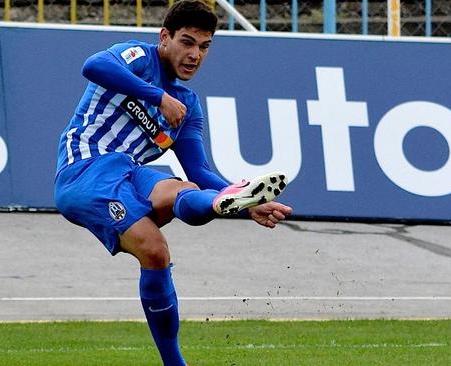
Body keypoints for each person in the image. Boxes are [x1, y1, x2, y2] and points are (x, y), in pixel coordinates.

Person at [54, 1, 292, 364]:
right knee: (154, 248)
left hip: (129, 173)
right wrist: (157, 97)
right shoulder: (137, 57)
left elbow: (200, 171)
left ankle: (225, 203)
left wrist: (248, 204)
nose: (195, 54)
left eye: (204, 46)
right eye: (187, 42)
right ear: (164, 37)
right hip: (85, 170)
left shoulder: (187, 107)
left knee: (188, 190)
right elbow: (93, 65)